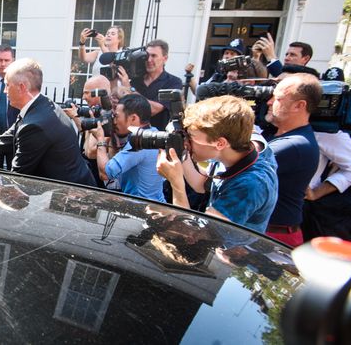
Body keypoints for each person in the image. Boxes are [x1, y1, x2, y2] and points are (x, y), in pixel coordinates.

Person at [0, 58, 96, 187]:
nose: (4, 91)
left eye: (7, 85)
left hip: (71, 198)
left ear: (21, 87)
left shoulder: (35, 125)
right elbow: (7, 136)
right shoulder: (42, 104)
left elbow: (18, 180)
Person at [156, 95, 278, 233]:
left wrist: (176, 183)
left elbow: (191, 236)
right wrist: (179, 150)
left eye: (191, 137)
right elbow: (202, 185)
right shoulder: (237, 146)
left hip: (231, 253)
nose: (186, 142)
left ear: (220, 143)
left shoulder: (250, 185)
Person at [263, 73, 322, 246]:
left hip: (272, 239)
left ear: (299, 105)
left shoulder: (294, 145)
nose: (269, 102)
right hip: (267, 233)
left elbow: (233, 167)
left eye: (278, 98)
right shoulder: (289, 138)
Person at [91, 94, 165, 201]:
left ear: (133, 118)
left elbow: (105, 173)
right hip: (156, 203)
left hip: (141, 208)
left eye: (116, 116)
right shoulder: (154, 133)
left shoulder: (139, 144)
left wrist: (100, 139)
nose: (114, 121)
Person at [63, 75, 113, 188]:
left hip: (101, 180)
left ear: (99, 92)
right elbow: (84, 135)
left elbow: (90, 152)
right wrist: (77, 117)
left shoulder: (110, 115)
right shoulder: (95, 111)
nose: (83, 97)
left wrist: (77, 117)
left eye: (86, 93)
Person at [130, 39, 183, 131]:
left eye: (154, 56)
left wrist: (130, 90)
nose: (149, 60)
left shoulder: (173, 82)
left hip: (157, 138)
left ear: (165, 58)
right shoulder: (135, 81)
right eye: (147, 56)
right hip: (132, 134)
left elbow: (152, 110)